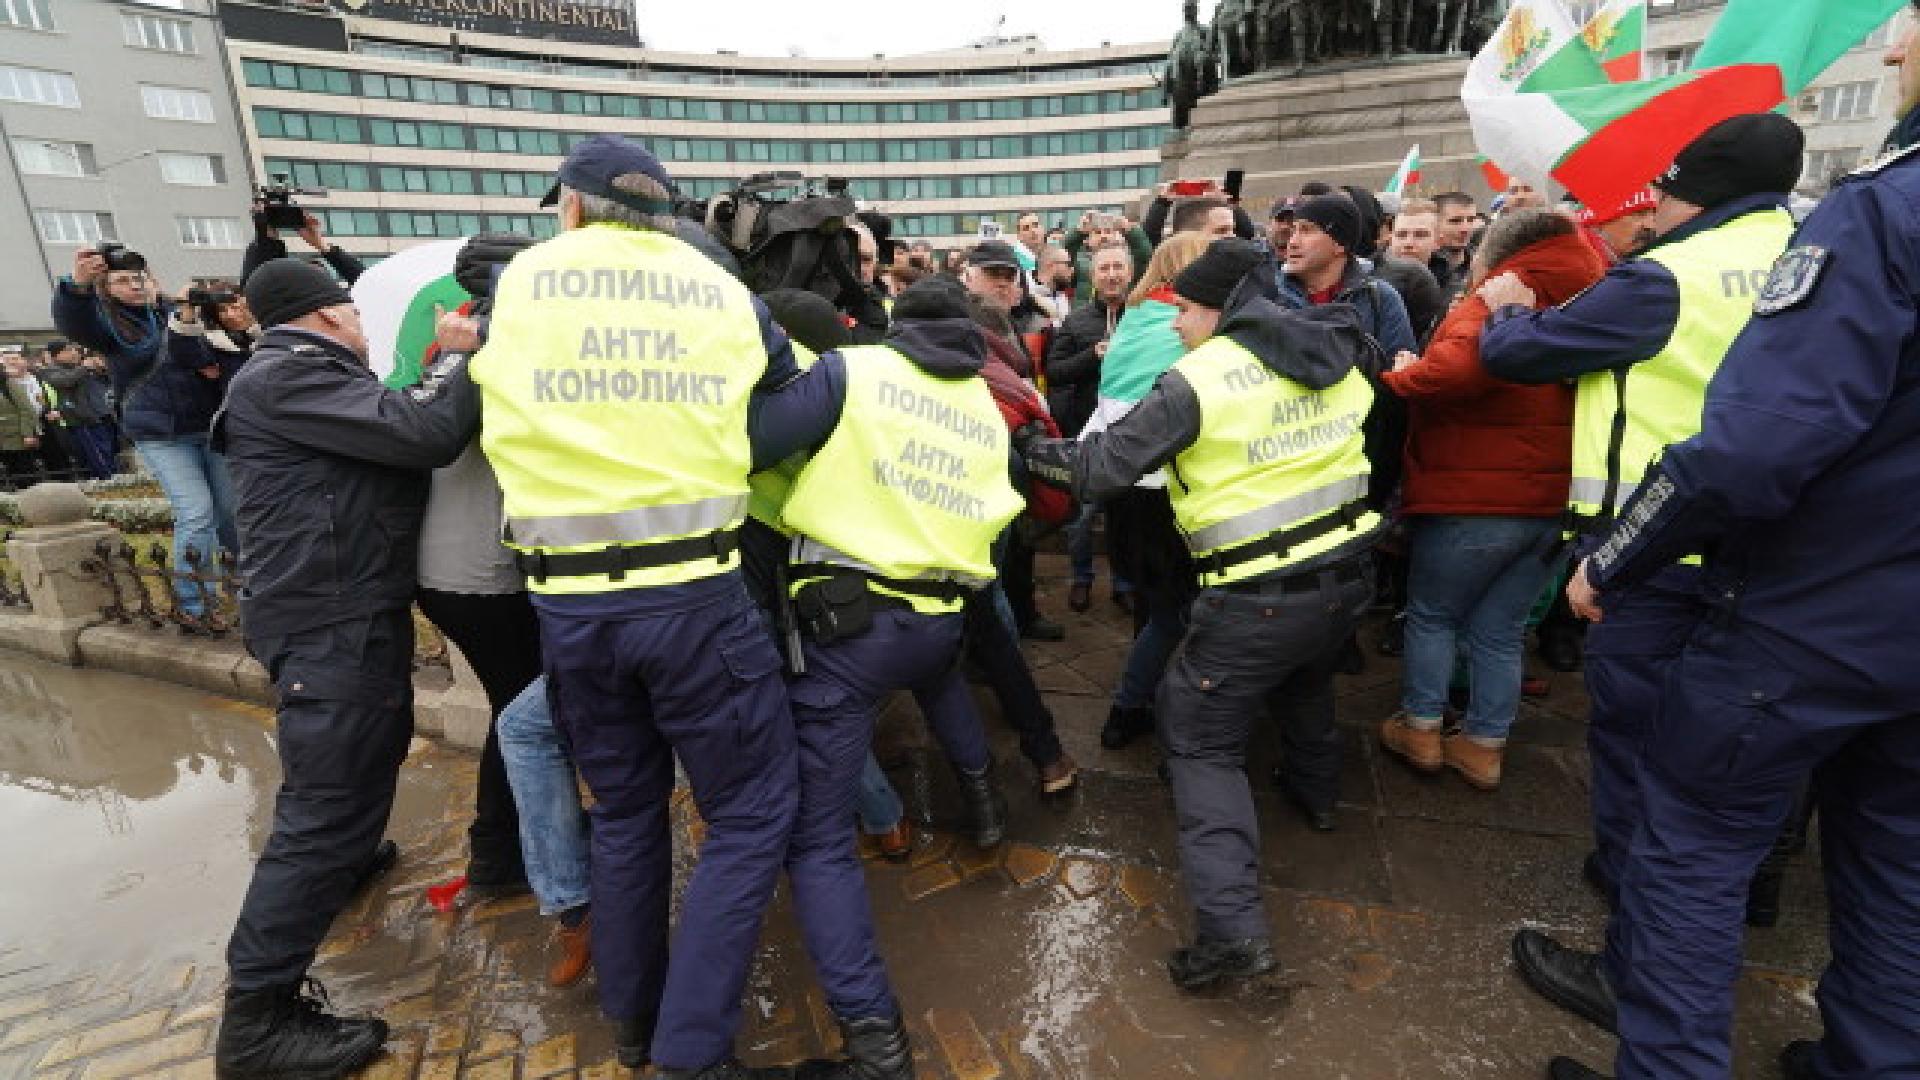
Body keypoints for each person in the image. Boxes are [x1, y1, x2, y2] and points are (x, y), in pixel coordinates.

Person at [1538, 58, 1920, 1080]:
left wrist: (1612, 559)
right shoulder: (1805, 229)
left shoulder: (1877, 215)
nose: (1892, 51)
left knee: (1691, 845)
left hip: (1816, 613)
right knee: (1895, 865)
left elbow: (1751, 451)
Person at [468, 134, 800, 1079]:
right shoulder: (722, 291)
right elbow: (779, 396)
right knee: (746, 815)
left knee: (623, 813)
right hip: (696, 595)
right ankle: (692, 1052)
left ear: (570, 206)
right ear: (666, 215)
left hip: (572, 609)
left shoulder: (523, 283)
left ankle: (635, 1023)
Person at [1474, 112, 1805, 1047]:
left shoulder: (1669, 275)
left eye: (1662, 188)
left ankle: (1633, 964)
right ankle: (1738, 906)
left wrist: (1504, 307)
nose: (1651, 204)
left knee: (1639, 764)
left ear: (1695, 190)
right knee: (1740, 761)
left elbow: (1518, 355)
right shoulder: (1815, 250)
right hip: (1779, 560)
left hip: (1658, 556)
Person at [1027, 238, 1380, 990]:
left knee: (1200, 739)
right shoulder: (1335, 345)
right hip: (1348, 575)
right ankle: (1317, 801)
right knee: (1306, 685)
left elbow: (1101, 468)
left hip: (1257, 597)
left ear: (1221, 309)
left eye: (1184, 309)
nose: (1177, 324)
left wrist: (1031, 448)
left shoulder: (1202, 376)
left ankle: (1232, 938)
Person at [209, 257, 478, 1079]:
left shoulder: (301, 375)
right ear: (327, 318)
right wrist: (462, 356)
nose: (366, 330)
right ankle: (257, 1024)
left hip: (337, 612)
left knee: (363, 761)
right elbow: (424, 433)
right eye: (356, 316)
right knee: (320, 812)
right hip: (329, 621)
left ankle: (347, 856)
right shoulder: (286, 378)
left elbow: (392, 422)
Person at [751, 276, 1025, 1080]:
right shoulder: (982, 401)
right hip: (937, 616)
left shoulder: (854, 372)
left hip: (847, 625)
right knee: (943, 694)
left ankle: (874, 1041)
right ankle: (985, 810)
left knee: (820, 840)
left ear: (896, 325)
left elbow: (750, 443)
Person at [1377, 209, 1605, 789]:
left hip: (1473, 494)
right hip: (1553, 497)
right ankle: (1483, 745)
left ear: (1496, 253)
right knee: (1499, 630)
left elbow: (1452, 371)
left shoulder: (1504, 297)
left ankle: (1423, 729)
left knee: (1433, 616)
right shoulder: (1596, 295)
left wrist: (1406, 374)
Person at [415, 233, 542, 904]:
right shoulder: (492, 350)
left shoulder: (457, 345)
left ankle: (519, 845)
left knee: (520, 708)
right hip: (479, 572)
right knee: (521, 713)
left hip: (452, 567)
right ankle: (497, 859)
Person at [52, 251, 238, 629]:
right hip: (161, 435)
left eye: (141, 278)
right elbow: (77, 321)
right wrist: (78, 286)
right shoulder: (108, 324)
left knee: (230, 512)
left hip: (208, 424)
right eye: (122, 281)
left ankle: (244, 583)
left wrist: (192, 311)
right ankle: (194, 602)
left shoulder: (179, 310)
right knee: (197, 513)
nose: (135, 286)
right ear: (107, 289)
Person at [1079, 231, 1214, 751]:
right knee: (1177, 612)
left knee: (1156, 606)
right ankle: (1141, 707)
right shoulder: (1187, 330)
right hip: (1168, 492)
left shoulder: (1133, 321)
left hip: (1125, 488)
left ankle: (1136, 701)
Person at [1049, 242, 1135, 613]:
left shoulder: (1145, 316)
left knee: (1126, 519)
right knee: (1082, 519)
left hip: (1134, 432)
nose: (1112, 274)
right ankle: (1082, 578)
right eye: (1104, 268)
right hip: (1089, 434)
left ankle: (1124, 582)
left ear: (1130, 272)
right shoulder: (1077, 320)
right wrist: (1091, 355)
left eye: (1118, 267)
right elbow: (1055, 371)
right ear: (1093, 275)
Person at [36, 340, 116, 480]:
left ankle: (110, 478)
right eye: (68, 350)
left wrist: (101, 369)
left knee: (107, 450)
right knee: (95, 454)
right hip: (79, 419)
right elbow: (66, 381)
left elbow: (107, 382)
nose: (74, 353)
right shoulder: (49, 370)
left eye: (74, 349)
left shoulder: (81, 367)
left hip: (99, 416)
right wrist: (84, 368)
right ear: (56, 355)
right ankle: (106, 480)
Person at [1063, 211, 1153, 304]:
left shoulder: (1128, 258)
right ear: (1088, 239)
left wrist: (1130, 230)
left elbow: (1145, 257)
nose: (1103, 236)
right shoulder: (1078, 261)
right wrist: (1078, 231)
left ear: (1117, 236)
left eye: (1108, 232)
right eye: (1097, 232)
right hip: (1085, 315)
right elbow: (1061, 257)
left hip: (1123, 312)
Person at [0, 347, 44, 487]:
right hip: (2, 439)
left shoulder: (8, 384)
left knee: (25, 473)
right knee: (12, 474)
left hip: (17, 437)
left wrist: (27, 434)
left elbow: (26, 409)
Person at [1431, 191, 1479, 294]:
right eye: (1455, 221)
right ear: (1434, 223)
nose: (1465, 229)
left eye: (1471, 220)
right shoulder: (1423, 265)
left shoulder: (1484, 263)